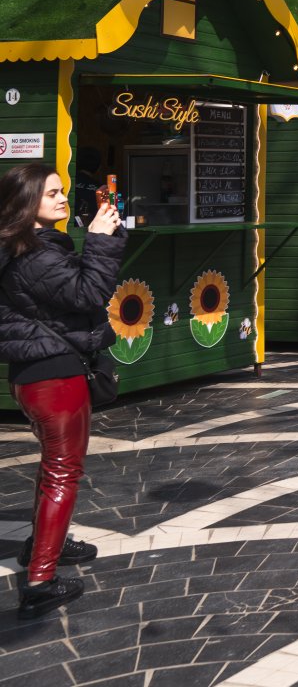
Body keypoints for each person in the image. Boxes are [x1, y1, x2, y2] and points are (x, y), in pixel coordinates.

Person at [0, 163, 125, 619]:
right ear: (26, 200)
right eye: (51, 192)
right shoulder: (33, 255)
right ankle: (40, 579)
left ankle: (41, 542)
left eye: (62, 190)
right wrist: (101, 240)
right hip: (54, 377)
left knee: (55, 465)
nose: (62, 197)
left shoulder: (31, 248)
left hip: (39, 375)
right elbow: (88, 294)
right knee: (62, 473)